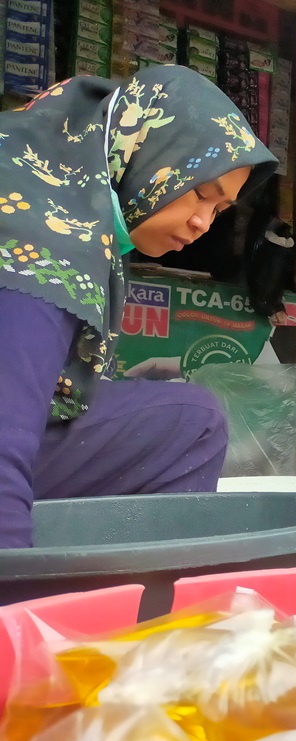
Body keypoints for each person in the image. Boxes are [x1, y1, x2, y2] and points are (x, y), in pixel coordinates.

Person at [0, 65, 278, 548]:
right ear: (148, 152)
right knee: (190, 421)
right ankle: (133, 612)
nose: (200, 224)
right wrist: (22, 607)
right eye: (198, 193)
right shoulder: (44, 236)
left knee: (147, 397)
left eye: (218, 211)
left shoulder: (36, 181)